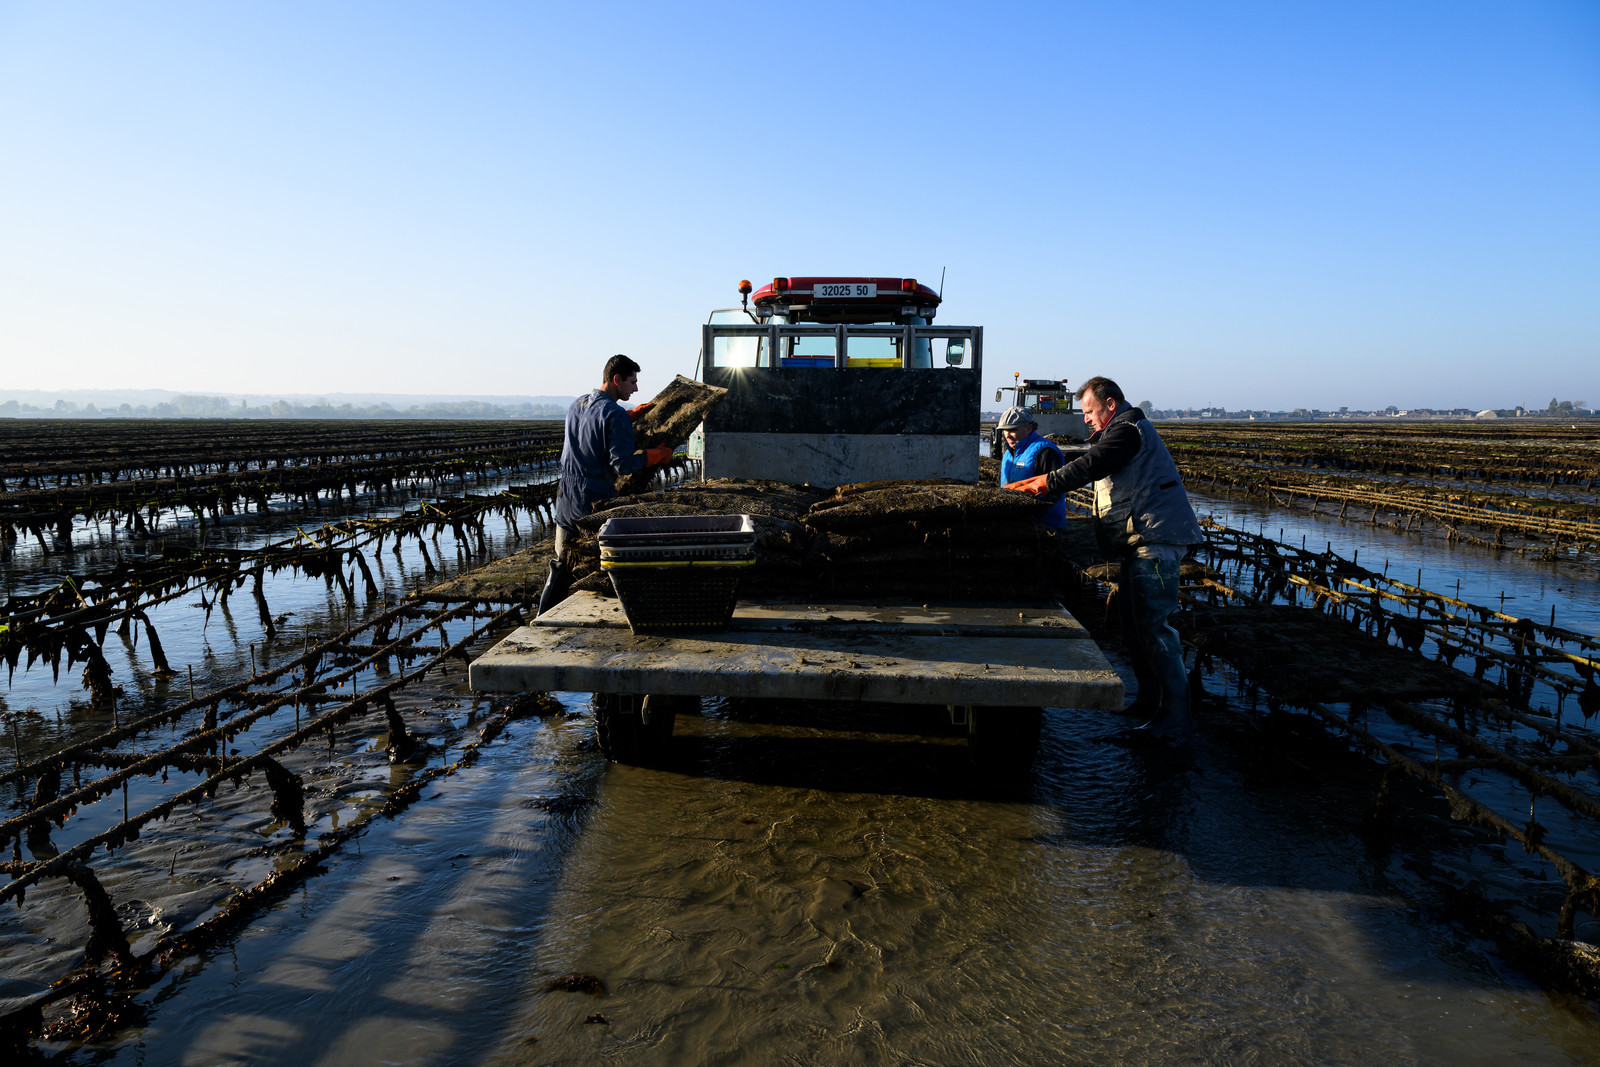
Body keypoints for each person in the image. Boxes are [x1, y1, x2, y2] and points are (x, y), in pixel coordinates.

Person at [1004, 377, 1204, 747]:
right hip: (1138, 541)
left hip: (1156, 541)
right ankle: (1149, 704)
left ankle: (1175, 719)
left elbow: (1091, 465)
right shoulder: (1120, 431)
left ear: (1109, 405)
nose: (1086, 421)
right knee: (1132, 625)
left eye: (1089, 412)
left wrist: (1045, 483)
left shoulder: (1129, 429)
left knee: (1154, 628)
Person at [538, 354, 674, 615]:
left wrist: (630, 416)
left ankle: (540, 618)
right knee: (607, 562)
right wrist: (657, 455)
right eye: (632, 382)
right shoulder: (614, 414)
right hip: (594, 497)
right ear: (616, 379)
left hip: (566, 495)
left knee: (561, 563)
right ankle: (614, 615)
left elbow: (595, 427)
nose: (635, 388)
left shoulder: (576, 404)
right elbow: (621, 464)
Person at [996, 405, 1068, 530]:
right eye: (1004, 430)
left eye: (1013, 429)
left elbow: (1054, 491)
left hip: (1043, 523)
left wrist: (1031, 510)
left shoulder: (1045, 451)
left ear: (1029, 428)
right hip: (1015, 521)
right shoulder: (1008, 452)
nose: (1007, 435)